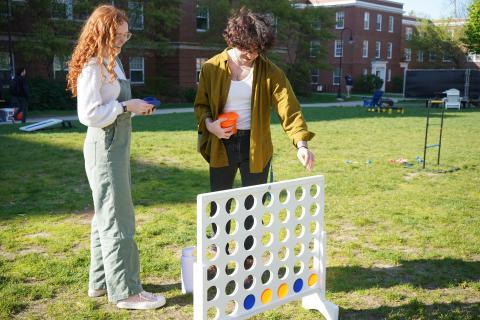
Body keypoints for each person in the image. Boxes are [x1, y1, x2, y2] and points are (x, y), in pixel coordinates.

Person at [194, 8, 315, 257]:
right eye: (247, 50)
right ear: (234, 41)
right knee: (219, 206)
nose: (251, 56)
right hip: (222, 143)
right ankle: (218, 261)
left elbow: (289, 109)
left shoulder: (270, 72)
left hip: (255, 146)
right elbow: (201, 105)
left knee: (253, 207)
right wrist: (210, 125)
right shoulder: (211, 68)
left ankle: (250, 264)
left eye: (257, 51)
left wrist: (301, 144)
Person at [66, 5, 164, 310]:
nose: (122, 40)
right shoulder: (93, 65)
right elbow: (89, 114)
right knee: (119, 218)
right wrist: (125, 107)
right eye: (117, 34)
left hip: (116, 144)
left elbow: (115, 104)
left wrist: (134, 107)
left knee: (105, 216)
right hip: (105, 146)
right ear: (102, 32)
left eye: (125, 34)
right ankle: (126, 292)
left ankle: (100, 282)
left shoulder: (112, 61)